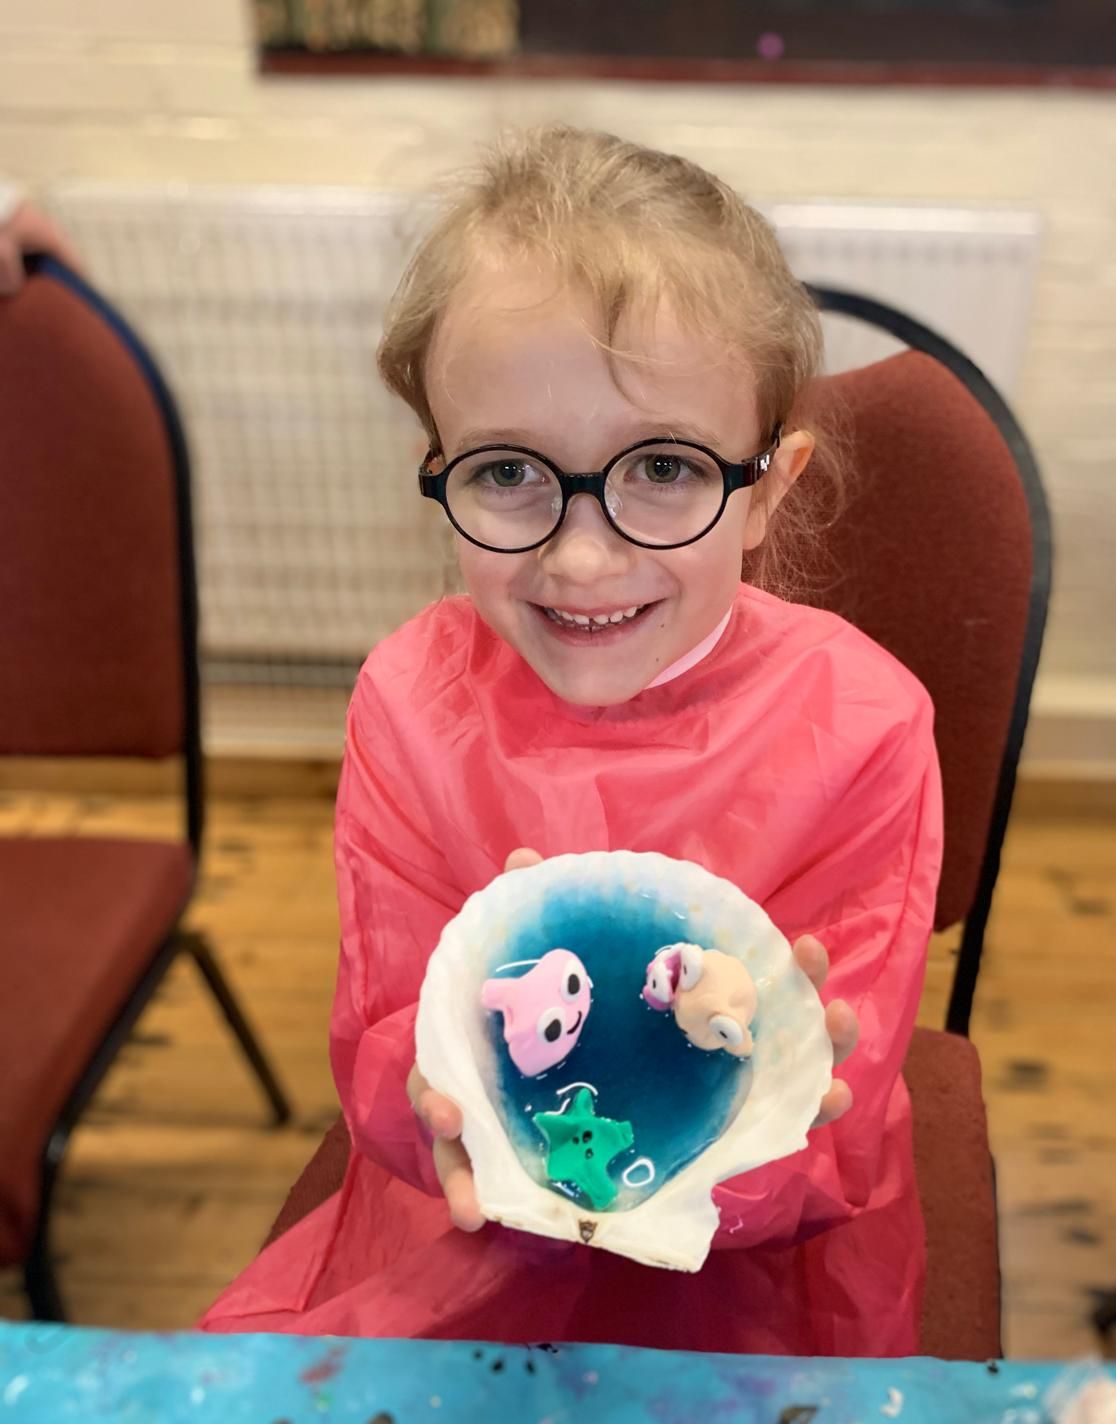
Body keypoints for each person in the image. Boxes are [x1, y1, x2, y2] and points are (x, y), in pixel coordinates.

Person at [202, 125, 942, 1356]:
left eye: (662, 466)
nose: (581, 555)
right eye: (508, 474)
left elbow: (832, 1149)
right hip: (464, 1235)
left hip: (750, 1272)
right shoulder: (411, 702)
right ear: (437, 468)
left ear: (768, 487)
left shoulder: (863, 730)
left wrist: (766, 1112)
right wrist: (462, 1075)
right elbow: (385, 1058)